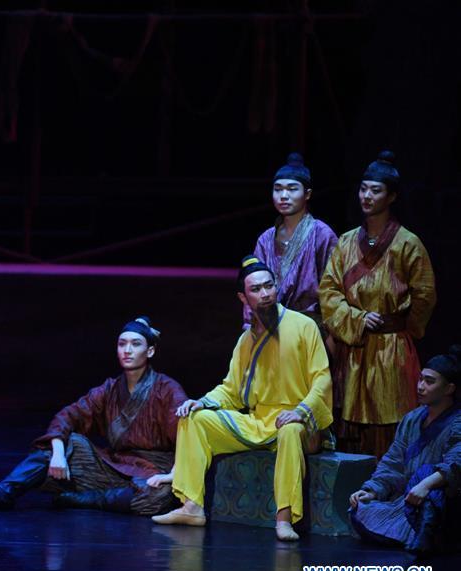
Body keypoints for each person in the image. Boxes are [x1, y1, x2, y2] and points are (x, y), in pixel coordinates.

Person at [152, 256, 332, 541]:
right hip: (259, 421)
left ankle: (284, 518)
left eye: (269, 286)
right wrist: (202, 402)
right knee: (194, 419)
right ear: (243, 297)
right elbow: (231, 390)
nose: (265, 294)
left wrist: (301, 410)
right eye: (256, 290)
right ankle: (191, 506)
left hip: (299, 422)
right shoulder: (245, 341)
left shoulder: (303, 326)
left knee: (288, 431)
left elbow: (322, 378)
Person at [0, 317, 187, 516]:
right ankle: (6, 490)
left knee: (161, 496)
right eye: (122, 344)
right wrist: (59, 454)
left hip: (152, 472)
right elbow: (68, 416)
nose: (127, 350)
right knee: (65, 442)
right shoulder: (109, 389)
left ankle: (82, 500)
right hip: (113, 466)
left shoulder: (166, 389)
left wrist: (171, 476)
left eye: (135, 344)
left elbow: (186, 437)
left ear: (150, 351)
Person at [319, 151, 437, 457]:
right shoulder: (345, 242)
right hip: (354, 349)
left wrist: (403, 327)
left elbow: (425, 294)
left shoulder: (408, 243)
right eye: (363, 188)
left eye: (376, 190)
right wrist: (355, 318)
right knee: (350, 427)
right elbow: (329, 290)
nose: (367, 196)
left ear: (392, 196)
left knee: (391, 421)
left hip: (391, 348)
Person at [349, 345, 461, 555]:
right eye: (420, 379)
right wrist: (372, 490)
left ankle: (429, 534)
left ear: (449, 389)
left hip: (445, 501)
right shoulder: (412, 419)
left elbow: (456, 464)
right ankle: (417, 533)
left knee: (426, 473)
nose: (420, 386)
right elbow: (393, 462)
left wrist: (426, 484)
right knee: (360, 509)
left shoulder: (457, 422)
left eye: (429, 382)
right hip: (410, 499)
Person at [244, 152, 337, 330]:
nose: (283, 195)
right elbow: (252, 284)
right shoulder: (266, 239)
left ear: (307, 194)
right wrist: (250, 323)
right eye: (278, 189)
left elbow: (334, 288)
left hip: (309, 327)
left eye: (292, 189)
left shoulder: (322, 234)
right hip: (269, 326)